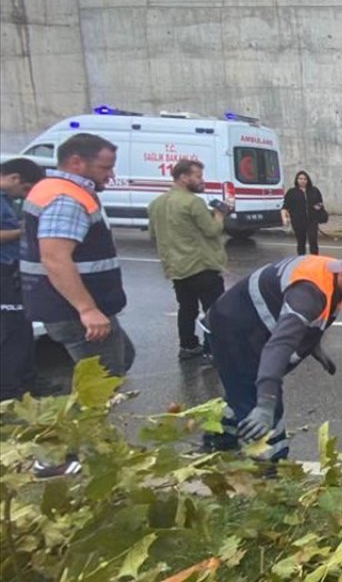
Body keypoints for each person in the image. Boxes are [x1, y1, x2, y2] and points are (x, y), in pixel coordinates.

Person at [20, 133, 134, 478]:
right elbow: (55, 258)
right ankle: (56, 457)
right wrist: (86, 309)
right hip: (76, 311)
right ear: (76, 162)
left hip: (68, 308)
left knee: (117, 361)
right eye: (105, 167)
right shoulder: (67, 198)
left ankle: (72, 445)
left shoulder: (53, 190)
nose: (109, 175)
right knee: (99, 383)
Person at [202, 249, 342, 461]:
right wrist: (266, 403)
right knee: (261, 410)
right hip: (233, 334)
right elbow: (279, 346)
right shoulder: (308, 295)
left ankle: (217, 443)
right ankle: (270, 472)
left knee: (241, 395)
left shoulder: (331, 273)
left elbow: (311, 319)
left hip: (244, 327)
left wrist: (312, 343)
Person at [147, 159, 229, 360]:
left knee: (187, 308)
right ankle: (213, 350)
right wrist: (219, 215)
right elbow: (212, 231)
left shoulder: (156, 204)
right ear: (184, 177)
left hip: (176, 267)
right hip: (202, 265)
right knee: (213, 309)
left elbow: (152, 234)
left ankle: (188, 345)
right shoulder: (193, 202)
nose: (202, 181)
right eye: (198, 176)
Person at [0, 158, 45, 401]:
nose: (25, 195)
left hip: (13, 269)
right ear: (15, 178)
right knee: (11, 331)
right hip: (3, 271)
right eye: (26, 188)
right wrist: (23, 229)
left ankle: (27, 382)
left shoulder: (7, 200)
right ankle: (8, 389)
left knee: (22, 328)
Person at [282, 170, 325, 255]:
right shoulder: (292, 192)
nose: (302, 181)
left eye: (305, 179)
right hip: (298, 221)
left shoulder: (314, 190)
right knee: (301, 242)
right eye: (300, 179)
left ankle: (314, 260)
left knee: (313, 241)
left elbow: (320, 203)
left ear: (308, 180)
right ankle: (301, 260)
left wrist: (315, 208)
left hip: (312, 220)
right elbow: (285, 207)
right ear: (296, 180)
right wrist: (284, 218)